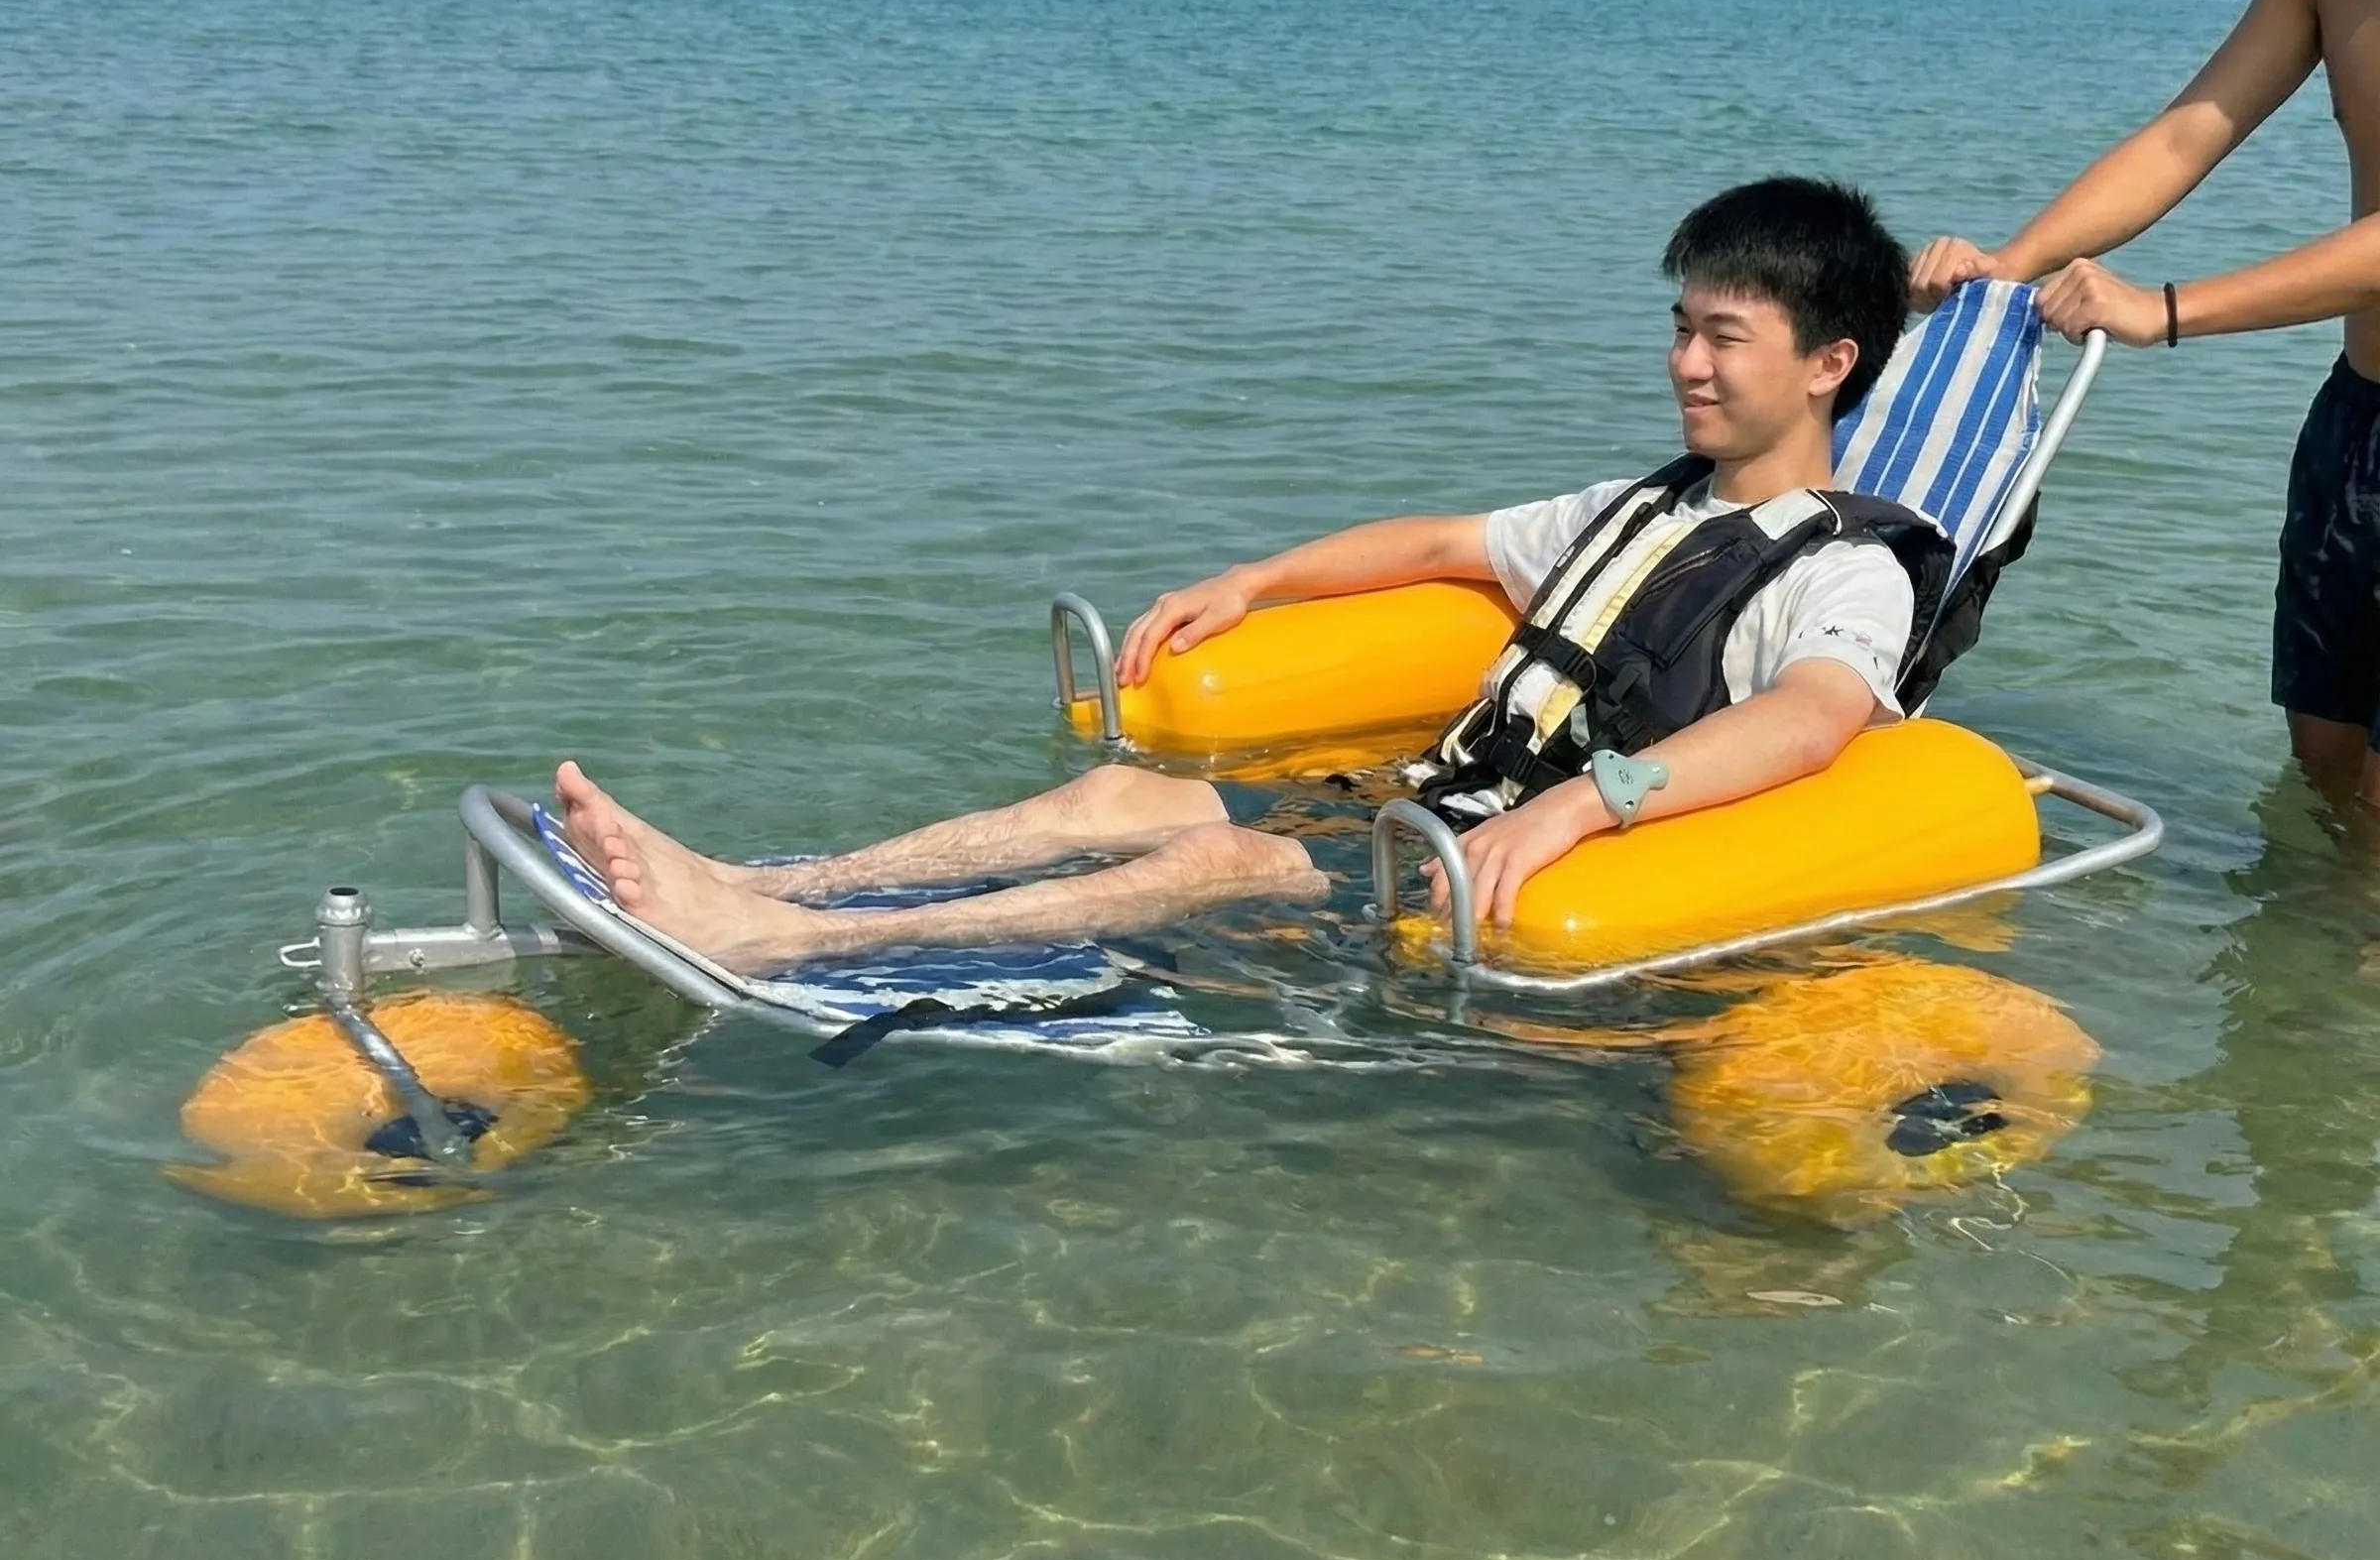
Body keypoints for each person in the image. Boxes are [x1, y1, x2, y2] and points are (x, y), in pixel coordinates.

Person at [553, 177, 1956, 972]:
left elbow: (1813, 717)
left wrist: (1591, 802)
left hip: (1498, 857)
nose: (1685, 363)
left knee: (1215, 857)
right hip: (1419, 802)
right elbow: (1439, 544)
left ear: (1827, 364)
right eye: (1680, 327)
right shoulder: (1647, 503)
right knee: (1116, 795)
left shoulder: (1847, 566)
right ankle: (770, 881)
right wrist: (1252, 581)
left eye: (1723, 337)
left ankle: (787, 945)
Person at [1910, 0, 2380, 803]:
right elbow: (2184, 136)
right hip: (2356, 421)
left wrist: (2164, 309)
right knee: (2324, 773)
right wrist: (2014, 263)